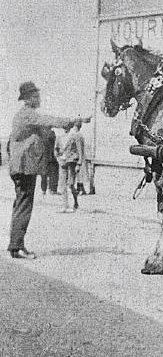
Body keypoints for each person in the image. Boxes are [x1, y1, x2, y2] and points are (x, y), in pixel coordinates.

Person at [7, 81, 90, 258]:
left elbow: (47, 128)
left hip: (21, 167)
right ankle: (17, 247)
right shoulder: (27, 114)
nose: (39, 99)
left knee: (21, 204)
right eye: (36, 96)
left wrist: (69, 123)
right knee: (24, 205)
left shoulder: (25, 115)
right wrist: (74, 120)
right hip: (24, 168)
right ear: (28, 99)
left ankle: (16, 245)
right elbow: (49, 120)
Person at [54, 121, 85, 212]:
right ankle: (65, 205)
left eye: (67, 127)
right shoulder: (59, 137)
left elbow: (80, 151)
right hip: (62, 162)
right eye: (64, 127)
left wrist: (79, 164)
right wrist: (58, 158)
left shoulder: (75, 136)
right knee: (63, 185)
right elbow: (56, 149)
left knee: (71, 184)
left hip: (72, 162)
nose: (65, 128)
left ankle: (75, 202)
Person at [39, 128, 59, 195]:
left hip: (43, 157)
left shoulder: (40, 133)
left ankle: (43, 189)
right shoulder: (51, 133)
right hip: (50, 156)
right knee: (53, 172)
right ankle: (52, 189)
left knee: (43, 174)